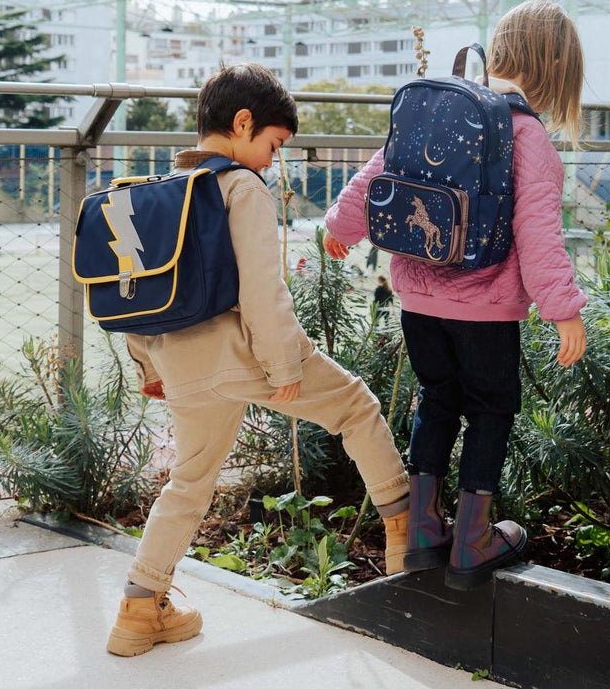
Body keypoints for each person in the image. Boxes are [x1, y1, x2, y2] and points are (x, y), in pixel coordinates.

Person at [108, 63, 411, 657]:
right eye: (273, 146)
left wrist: (150, 369)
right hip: (247, 353)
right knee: (356, 407)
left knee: (189, 483)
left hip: (182, 363)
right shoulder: (242, 188)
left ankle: (138, 609)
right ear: (243, 124)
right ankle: (404, 534)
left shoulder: (161, 192)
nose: (273, 162)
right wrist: (285, 369)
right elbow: (263, 291)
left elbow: (133, 293)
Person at [323, 0, 588, 590]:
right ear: (557, 72)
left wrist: (341, 226)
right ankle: (471, 541)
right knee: (492, 407)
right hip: (487, 310)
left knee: (437, 399)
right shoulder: (528, 136)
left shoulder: (440, 111)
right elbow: (538, 231)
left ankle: (423, 530)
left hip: (418, 299)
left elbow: (375, 174)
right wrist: (563, 309)